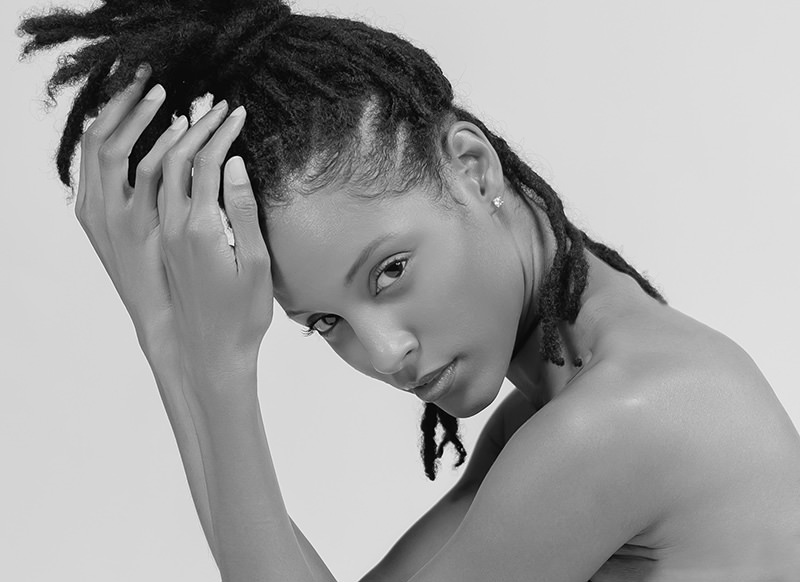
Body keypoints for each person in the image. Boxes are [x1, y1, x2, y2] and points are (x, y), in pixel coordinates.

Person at [17, 0, 800, 580]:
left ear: (472, 165)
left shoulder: (622, 420)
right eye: (326, 322)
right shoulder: (559, 412)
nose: (385, 351)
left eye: (389, 271)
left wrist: (217, 373)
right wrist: (166, 333)